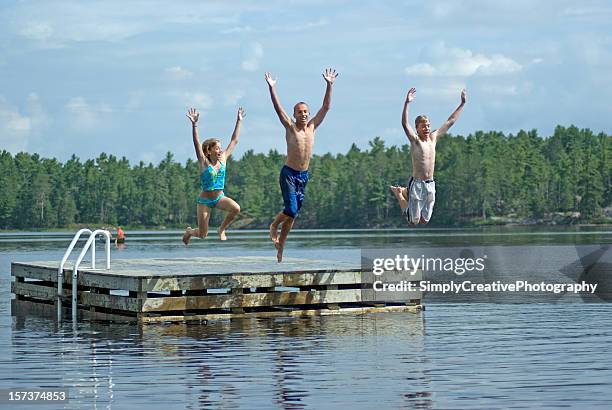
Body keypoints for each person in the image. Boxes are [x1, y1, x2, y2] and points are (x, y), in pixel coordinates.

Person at [265, 68, 338, 262]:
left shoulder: (312, 127)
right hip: (289, 174)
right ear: (295, 114)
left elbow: (326, 107)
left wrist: (329, 85)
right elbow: (278, 109)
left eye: (306, 111)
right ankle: (273, 226)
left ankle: (281, 245)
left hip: (303, 176)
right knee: (290, 210)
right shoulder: (290, 127)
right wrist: (272, 88)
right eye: (300, 112)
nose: (304, 114)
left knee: (293, 215)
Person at [390, 87, 466, 225]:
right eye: (423, 126)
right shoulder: (415, 141)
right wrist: (407, 103)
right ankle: (400, 194)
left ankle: (405, 192)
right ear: (417, 128)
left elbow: (450, 121)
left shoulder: (433, 138)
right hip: (417, 184)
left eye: (428, 125)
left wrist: (462, 104)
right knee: (414, 222)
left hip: (430, 184)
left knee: (424, 221)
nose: (427, 128)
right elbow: (404, 124)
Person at [182, 107, 244, 244]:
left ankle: (221, 229)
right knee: (203, 235)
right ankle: (190, 232)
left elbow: (234, 141)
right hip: (204, 201)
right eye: (217, 148)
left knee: (236, 209)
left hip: (219, 198)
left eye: (220, 148)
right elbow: (197, 144)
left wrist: (239, 121)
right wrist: (194, 125)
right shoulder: (204, 163)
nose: (220, 150)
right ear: (209, 151)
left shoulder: (223, 160)